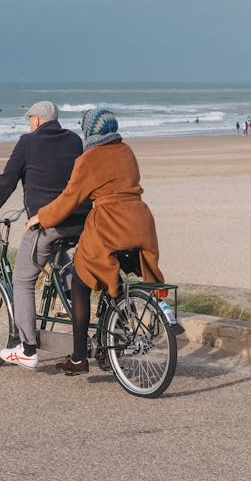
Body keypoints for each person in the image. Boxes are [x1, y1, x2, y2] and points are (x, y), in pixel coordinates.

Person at [26, 107, 163, 376]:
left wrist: (42, 217)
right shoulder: (126, 151)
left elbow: (70, 199)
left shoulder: (89, 158)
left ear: (89, 131)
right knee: (115, 273)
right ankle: (113, 344)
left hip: (110, 224)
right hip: (140, 222)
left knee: (81, 279)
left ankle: (78, 358)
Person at [0, 100, 89, 369]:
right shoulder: (74, 141)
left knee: (23, 279)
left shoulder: (28, 142)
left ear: (37, 120)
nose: (29, 124)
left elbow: (7, 182)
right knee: (61, 261)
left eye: (30, 120)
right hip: (80, 221)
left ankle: (27, 348)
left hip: (48, 223)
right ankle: (71, 301)